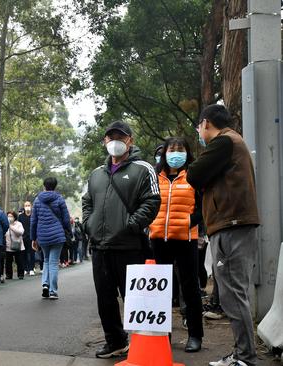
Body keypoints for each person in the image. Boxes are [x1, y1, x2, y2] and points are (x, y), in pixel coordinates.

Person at [187, 104, 260, 366]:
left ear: (206, 123)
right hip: (231, 223)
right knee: (232, 292)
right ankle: (242, 355)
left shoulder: (224, 141)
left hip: (231, 223)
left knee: (232, 294)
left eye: (199, 126)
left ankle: (245, 358)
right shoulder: (232, 142)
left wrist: (202, 180)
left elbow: (194, 174)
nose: (199, 131)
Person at [82, 121, 160, 359]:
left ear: (130, 141)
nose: (115, 141)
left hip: (130, 246)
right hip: (100, 246)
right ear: (105, 141)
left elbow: (152, 201)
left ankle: (143, 343)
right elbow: (87, 202)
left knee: (135, 298)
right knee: (105, 298)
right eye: (111, 137)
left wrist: (132, 225)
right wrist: (89, 225)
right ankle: (115, 341)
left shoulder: (142, 168)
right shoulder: (96, 174)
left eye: (121, 137)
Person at [149, 137, 204, 352]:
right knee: (161, 290)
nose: (175, 153)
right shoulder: (155, 176)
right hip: (158, 240)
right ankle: (163, 336)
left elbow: (204, 206)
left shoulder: (194, 176)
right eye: (172, 149)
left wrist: (191, 221)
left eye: (180, 149)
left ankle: (195, 335)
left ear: (187, 153)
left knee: (190, 289)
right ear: (164, 153)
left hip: (185, 239)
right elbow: (146, 202)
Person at [30, 177, 71, 300]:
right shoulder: (59, 199)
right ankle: (53, 291)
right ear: (55, 186)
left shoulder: (37, 200)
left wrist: (33, 238)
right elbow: (66, 218)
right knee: (53, 263)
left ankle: (45, 285)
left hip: (42, 236)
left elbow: (33, 221)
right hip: (57, 235)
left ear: (44, 186)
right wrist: (68, 231)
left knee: (46, 261)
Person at [4, 211, 25, 280]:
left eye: (11, 216)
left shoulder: (19, 224)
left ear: (14, 217)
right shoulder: (5, 224)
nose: (9, 218)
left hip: (18, 246)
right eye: (8, 216)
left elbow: (20, 232)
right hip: (8, 246)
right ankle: (8, 275)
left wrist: (11, 227)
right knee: (8, 262)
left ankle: (21, 274)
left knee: (19, 261)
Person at [18, 201, 35, 275]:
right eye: (26, 205)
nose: (27, 206)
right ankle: (25, 268)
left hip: (32, 237)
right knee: (23, 254)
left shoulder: (34, 215)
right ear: (24, 207)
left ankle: (31, 268)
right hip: (23, 237)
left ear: (31, 206)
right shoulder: (21, 216)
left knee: (32, 254)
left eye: (28, 205)